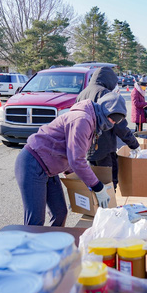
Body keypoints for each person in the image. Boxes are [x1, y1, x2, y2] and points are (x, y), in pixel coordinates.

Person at [15, 93, 127, 226]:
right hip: (33, 163)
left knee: (60, 213)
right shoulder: (82, 120)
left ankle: (53, 243)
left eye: (115, 122)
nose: (112, 123)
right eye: (112, 119)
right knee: (35, 221)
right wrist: (98, 187)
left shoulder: (93, 121)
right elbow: (76, 160)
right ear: (105, 110)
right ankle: (31, 245)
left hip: (50, 168)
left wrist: (76, 179)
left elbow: (70, 152)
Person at [76, 67, 140, 190]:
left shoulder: (82, 93)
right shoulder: (104, 93)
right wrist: (133, 144)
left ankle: (95, 208)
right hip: (104, 147)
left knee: (93, 181)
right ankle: (107, 208)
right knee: (109, 183)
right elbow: (119, 124)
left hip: (87, 146)